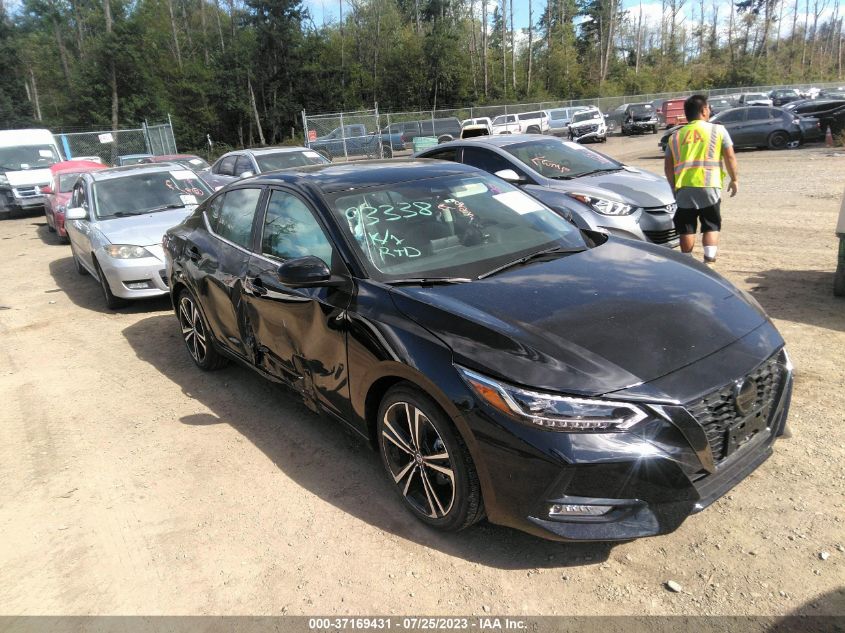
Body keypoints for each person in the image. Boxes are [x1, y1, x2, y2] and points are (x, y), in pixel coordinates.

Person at [664, 94, 739, 263]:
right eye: (708, 107)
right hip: (709, 184)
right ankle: (709, 261)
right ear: (704, 110)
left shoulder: (674, 136)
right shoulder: (717, 130)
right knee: (711, 224)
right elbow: (730, 157)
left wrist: (673, 186)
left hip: (683, 187)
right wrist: (734, 179)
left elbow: (668, 167)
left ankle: (687, 261)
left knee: (686, 227)